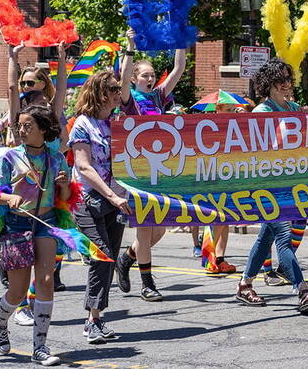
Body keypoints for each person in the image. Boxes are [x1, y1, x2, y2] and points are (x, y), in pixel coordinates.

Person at [0, 104, 72, 365]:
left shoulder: (56, 158)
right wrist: (9, 195)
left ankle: (40, 347)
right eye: (19, 126)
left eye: (28, 126)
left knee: (46, 280)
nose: (21, 130)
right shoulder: (10, 158)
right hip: (15, 225)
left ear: (43, 130)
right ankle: (0, 320)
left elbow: (65, 198)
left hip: (45, 222)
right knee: (17, 290)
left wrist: (65, 185)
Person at [235, 58, 308, 314]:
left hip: (292, 183)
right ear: (269, 83)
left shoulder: (295, 108)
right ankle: (303, 291)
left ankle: (244, 284)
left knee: (266, 236)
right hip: (267, 185)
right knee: (282, 235)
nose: (286, 85)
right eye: (281, 81)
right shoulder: (263, 112)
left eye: (288, 80)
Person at [116, 29, 188, 301]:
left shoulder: (158, 97)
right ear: (135, 78)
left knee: (159, 228)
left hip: (161, 170)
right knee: (145, 228)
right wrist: (130, 47)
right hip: (138, 172)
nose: (149, 78)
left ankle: (127, 258)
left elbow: (178, 69)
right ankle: (147, 283)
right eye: (144, 75)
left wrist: (181, 37)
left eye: (151, 75)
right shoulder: (129, 100)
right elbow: (122, 81)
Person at [69, 70, 131, 343]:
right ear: (101, 93)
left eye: (119, 87)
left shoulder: (117, 123)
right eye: (114, 88)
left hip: (115, 200)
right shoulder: (83, 124)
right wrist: (111, 195)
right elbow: (84, 166)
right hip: (88, 199)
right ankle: (91, 321)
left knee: (110, 257)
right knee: (102, 255)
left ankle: (97, 317)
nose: (119, 92)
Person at [204, 102, 238, 274]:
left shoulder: (233, 127)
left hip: (230, 176)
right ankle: (209, 258)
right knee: (218, 219)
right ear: (218, 109)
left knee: (227, 221)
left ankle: (220, 258)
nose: (232, 112)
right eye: (228, 109)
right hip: (215, 177)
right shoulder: (211, 127)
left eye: (233, 109)